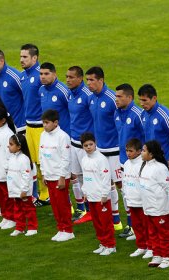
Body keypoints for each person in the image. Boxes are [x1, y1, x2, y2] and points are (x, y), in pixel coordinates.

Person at [86, 66, 122, 231]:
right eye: (87, 80)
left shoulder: (112, 99)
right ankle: (115, 220)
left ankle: (131, 224)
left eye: (92, 80)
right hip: (100, 150)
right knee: (106, 184)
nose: (89, 83)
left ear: (101, 80)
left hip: (115, 150)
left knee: (122, 186)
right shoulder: (91, 99)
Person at [114, 83, 145, 238]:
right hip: (124, 160)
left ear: (129, 97)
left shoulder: (137, 114)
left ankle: (141, 229)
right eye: (116, 96)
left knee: (140, 196)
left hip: (138, 163)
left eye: (119, 96)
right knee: (128, 194)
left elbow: (146, 137)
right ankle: (131, 225)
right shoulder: (117, 113)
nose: (116, 99)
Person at [19, 43, 48, 207]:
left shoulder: (40, 76)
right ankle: (43, 194)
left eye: (25, 57)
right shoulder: (23, 76)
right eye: (21, 56)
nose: (21, 59)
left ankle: (48, 194)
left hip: (40, 126)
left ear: (35, 58)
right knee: (35, 161)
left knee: (43, 162)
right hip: (29, 125)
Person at [39, 109, 74, 242]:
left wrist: (62, 177)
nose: (44, 125)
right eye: (43, 123)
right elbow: (41, 155)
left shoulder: (63, 136)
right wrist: (43, 173)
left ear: (55, 123)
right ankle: (60, 228)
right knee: (54, 205)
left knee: (62, 204)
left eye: (47, 123)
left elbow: (66, 159)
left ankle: (68, 230)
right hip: (48, 175)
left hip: (60, 177)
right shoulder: (43, 135)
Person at [139, 140, 169, 269]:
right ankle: (157, 254)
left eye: (144, 150)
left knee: (163, 234)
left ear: (151, 154)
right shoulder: (145, 165)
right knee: (152, 233)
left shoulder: (161, 168)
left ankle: (168, 257)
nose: (142, 153)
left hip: (160, 208)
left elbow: (167, 188)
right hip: (148, 207)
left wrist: (167, 206)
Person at [80, 132, 116, 256]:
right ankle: (103, 243)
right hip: (91, 196)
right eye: (86, 145)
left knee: (105, 222)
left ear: (95, 144)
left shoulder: (101, 159)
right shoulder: (84, 159)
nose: (89, 147)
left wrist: (105, 194)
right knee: (97, 223)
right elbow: (86, 177)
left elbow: (106, 178)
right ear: (83, 147)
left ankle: (111, 245)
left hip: (102, 197)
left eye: (91, 144)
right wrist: (85, 192)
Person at [66, 66, 93, 222]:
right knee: (79, 177)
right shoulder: (70, 93)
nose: (68, 80)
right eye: (67, 77)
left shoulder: (87, 95)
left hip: (85, 145)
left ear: (80, 78)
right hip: (73, 142)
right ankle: (88, 210)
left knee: (91, 178)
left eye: (71, 77)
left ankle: (110, 216)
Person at [123, 138, 152, 259]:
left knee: (146, 226)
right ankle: (141, 246)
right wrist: (126, 195)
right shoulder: (126, 164)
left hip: (142, 202)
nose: (128, 153)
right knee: (136, 226)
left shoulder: (143, 164)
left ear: (139, 151)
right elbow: (125, 181)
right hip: (131, 200)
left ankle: (150, 247)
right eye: (126, 151)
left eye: (131, 151)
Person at [7, 133, 38, 237]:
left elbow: (26, 176)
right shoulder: (11, 157)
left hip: (23, 191)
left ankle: (32, 227)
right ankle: (19, 227)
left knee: (28, 209)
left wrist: (24, 190)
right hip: (15, 190)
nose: (9, 146)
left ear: (19, 146)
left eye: (11, 144)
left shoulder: (24, 159)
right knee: (18, 210)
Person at [0, 48, 26, 133]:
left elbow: (26, 97)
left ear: (1, 61)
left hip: (19, 124)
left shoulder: (14, 76)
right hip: (4, 124)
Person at [138, 84, 169, 160]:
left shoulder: (165, 115)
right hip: (149, 159)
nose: (141, 103)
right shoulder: (143, 114)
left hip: (163, 161)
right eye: (140, 100)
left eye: (144, 100)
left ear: (154, 98)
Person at [39, 62, 70, 136]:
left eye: (46, 74)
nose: (43, 77)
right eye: (41, 74)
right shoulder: (41, 90)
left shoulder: (63, 91)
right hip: (48, 134)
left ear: (54, 74)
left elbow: (73, 112)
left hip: (64, 135)